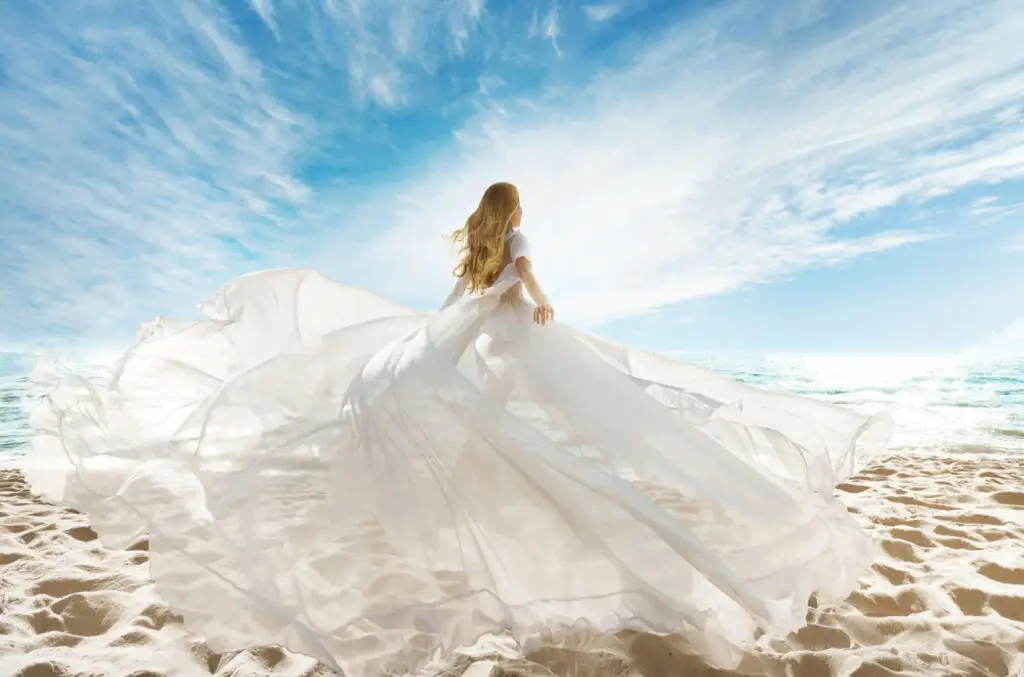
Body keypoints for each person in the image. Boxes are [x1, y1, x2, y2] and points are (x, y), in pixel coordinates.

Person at [24, 182, 890, 677]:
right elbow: (526, 280)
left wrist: (428, 345)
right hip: (502, 342)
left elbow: (460, 303)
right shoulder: (512, 236)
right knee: (583, 431)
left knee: (522, 439)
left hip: (468, 344)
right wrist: (544, 303)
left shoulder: (474, 244)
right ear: (510, 209)